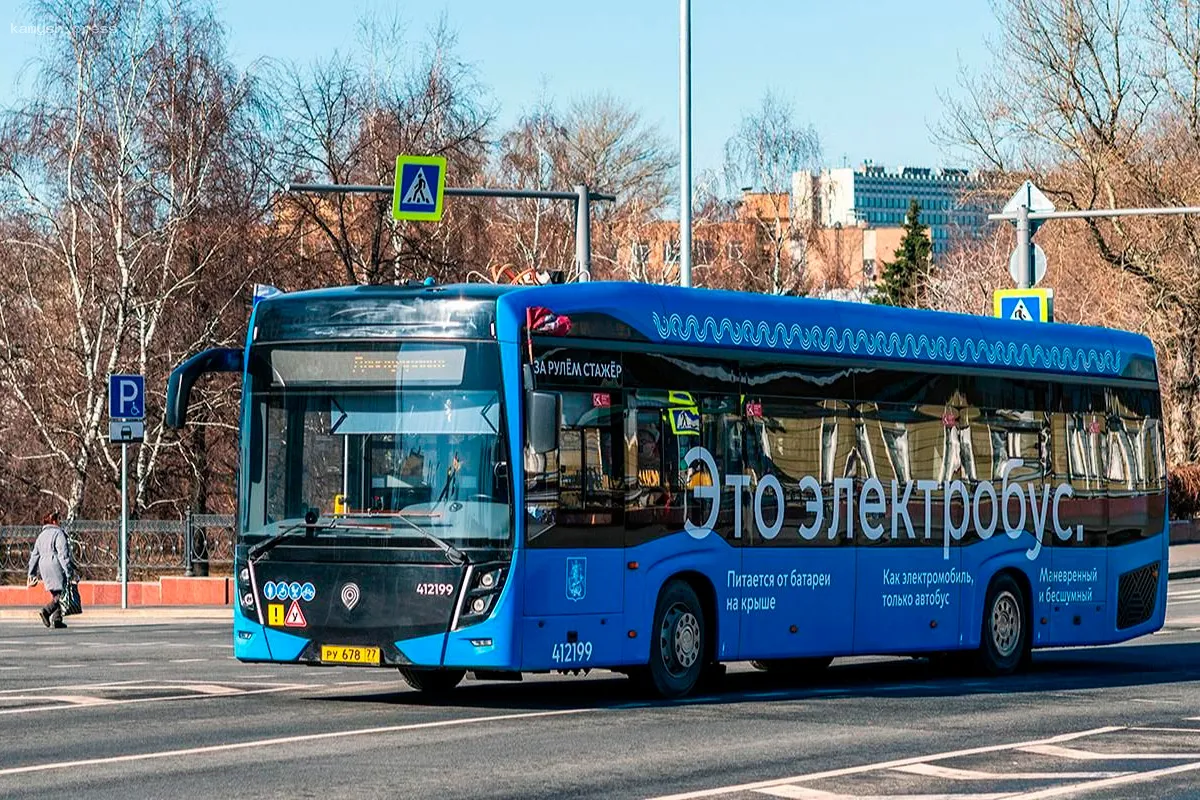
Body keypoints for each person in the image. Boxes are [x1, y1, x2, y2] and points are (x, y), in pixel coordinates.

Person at [27, 512, 75, 629]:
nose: (60, 522)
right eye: (58, 519)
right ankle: (46, 611)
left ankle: (57, 619)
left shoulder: (41, 536)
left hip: (43, 566)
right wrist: (69, 571)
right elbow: (63, 554)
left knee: (56, 592)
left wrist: (31, 573)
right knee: (63, 593)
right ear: (53, 521)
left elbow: (34, 556)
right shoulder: (58, 533)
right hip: (56, 564)